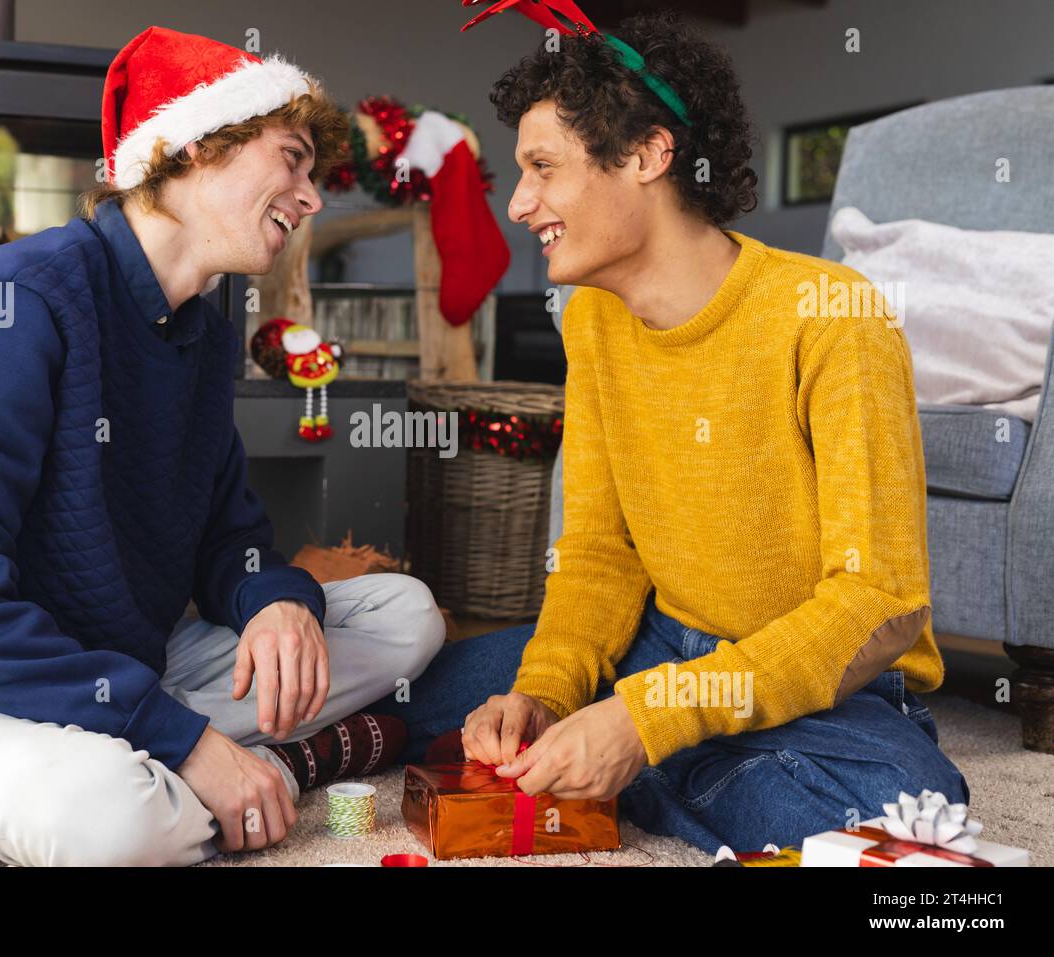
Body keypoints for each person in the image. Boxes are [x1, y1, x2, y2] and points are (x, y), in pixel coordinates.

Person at [0, 26, 445, 867]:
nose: (310, 196)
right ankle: (215, 764)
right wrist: (188, 743)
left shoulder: (205, 328)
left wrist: (275, 602)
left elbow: (227, 538)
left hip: (115, 661)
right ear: (187, 150)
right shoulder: (9, 311)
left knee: (408, 615)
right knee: (114, 821)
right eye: (291, 159)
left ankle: (181, 754)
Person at [368, 12, 968, 855]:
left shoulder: (835, 317)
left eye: (543, 168)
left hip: (827, 689)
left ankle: (649, 772)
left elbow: (880, 604)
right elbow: (601, 552)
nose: (518, 202)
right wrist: (543, 692)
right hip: (659, 639)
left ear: (649, 155)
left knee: (906, 802)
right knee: (425, 691)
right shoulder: (593, 323)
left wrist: (648, 719)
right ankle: (671, 764)